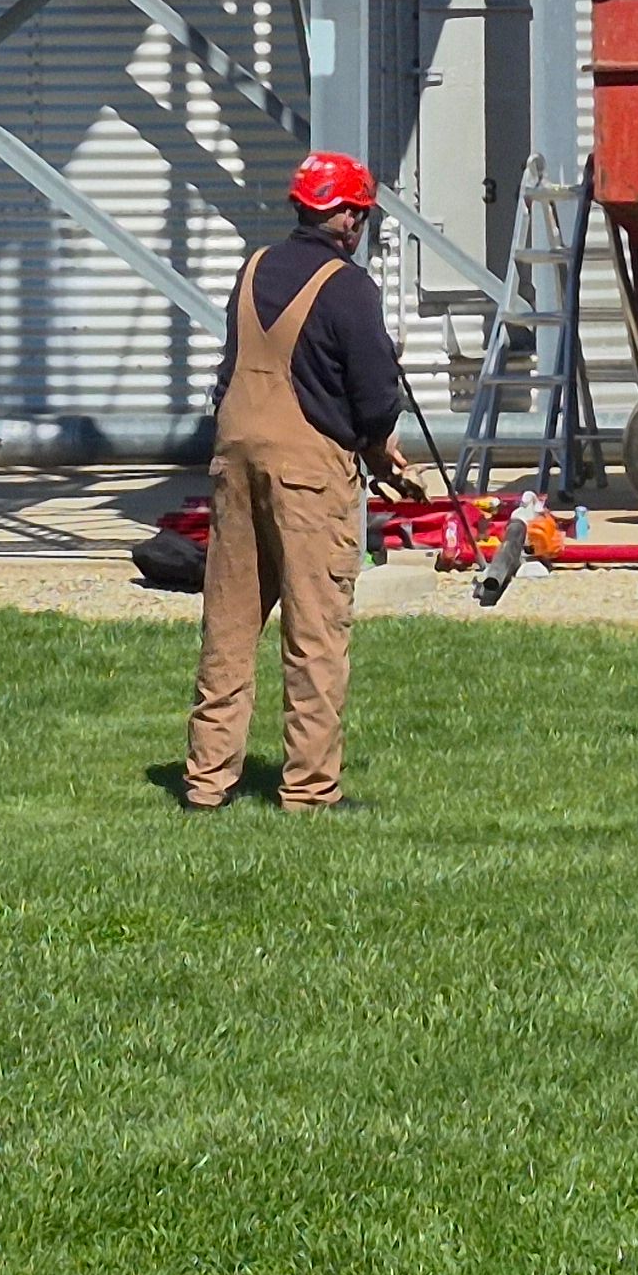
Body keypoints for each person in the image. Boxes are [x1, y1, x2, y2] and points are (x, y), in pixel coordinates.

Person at [185, 151, 418, 813]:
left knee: (229, 626)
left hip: (235, 457)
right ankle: (311, 791)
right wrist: (377, 448)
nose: (362, 226)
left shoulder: (254, 268)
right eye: (362, 214)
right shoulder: (349, 288)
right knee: (315, 632)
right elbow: (374, 399)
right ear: (344, 215)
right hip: (308, 473)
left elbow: (232, 368)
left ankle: (207, 784)